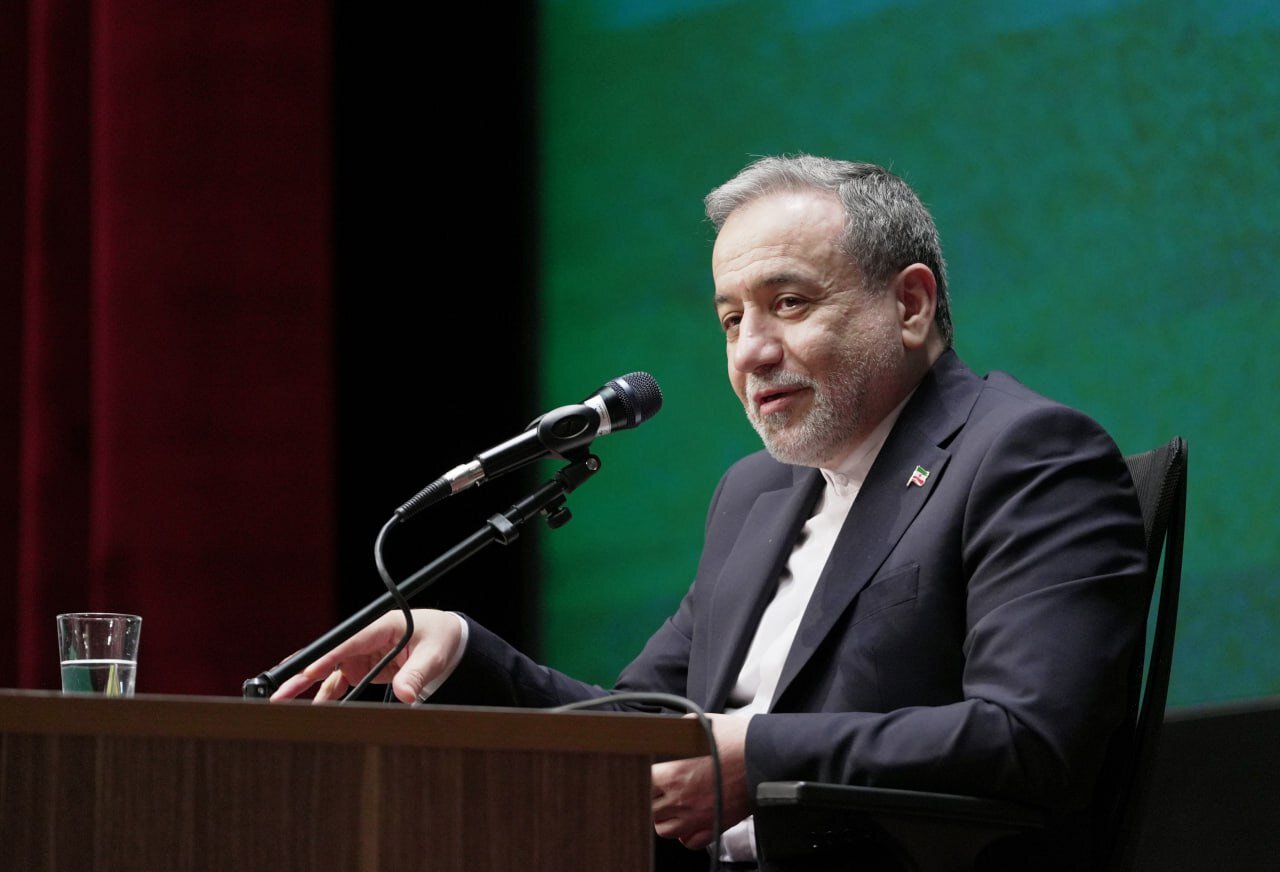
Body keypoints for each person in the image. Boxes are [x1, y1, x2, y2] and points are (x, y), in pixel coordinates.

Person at [273, 155, 1148, 870]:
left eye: (789, 304)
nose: (752, 352)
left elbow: (1031, 739)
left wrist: (754, 758)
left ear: (910, 305)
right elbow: (642, 728)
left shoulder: (1026, 454)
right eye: (731, 320)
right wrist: (464, 649)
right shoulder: (754, 495)